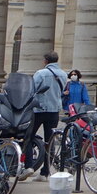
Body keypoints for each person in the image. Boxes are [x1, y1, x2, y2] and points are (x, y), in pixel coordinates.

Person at [28, 51, 67, 181]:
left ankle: (28, 166)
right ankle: (45, 172)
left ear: (45, 61)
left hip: (39, 110)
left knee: (28, 136)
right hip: (54, 110)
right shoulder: (63, 74)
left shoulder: (41, 73)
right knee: (49, 141)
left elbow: (31, 90)